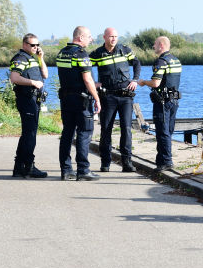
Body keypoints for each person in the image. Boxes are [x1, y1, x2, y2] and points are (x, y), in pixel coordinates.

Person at [90, 27, 140, 173]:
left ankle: (127, 162)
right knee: (106, 130)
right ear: (104, 37)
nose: (113, 39)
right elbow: (84, 68)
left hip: (125, 97)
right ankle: (105, 162)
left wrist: (135, 80)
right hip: (108, 97)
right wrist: (94, 83)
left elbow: (137, 63)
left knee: (126, 129)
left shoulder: (125, 50)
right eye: (111, 36)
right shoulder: (97, 54)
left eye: (116, 36)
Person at [56, 26, 101, 181]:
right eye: (89, 37)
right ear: (81, 37)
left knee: (67, 133)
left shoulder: (62, 53)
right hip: (81, 101)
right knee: (84, 132)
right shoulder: (81, 54)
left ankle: (66, 170)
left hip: (66, 99)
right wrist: (97, 98)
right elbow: (87, 79)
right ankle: (83, 170)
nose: (91, 40)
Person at [137, 36, 182, 172]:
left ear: (161, 45)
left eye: (155, 44)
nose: (153, 46)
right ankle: (161, 160)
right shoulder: (176, 60)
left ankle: (167, 161)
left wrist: (143, 82)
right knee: (168, 131)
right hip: (174, 100)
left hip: (162, 102)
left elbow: (155, 83)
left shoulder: (161, 62)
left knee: (162, 132)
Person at [8, 33, 49, 178]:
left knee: (28, 134)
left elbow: (45, 75)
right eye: (33, 45)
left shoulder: (33, 58)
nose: (35, 47)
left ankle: (19, 168)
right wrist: (33, 82)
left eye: (37, 45)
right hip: (26, 99)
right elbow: (14, 78)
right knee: (30, 134)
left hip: (34, 100)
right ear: (25, 44)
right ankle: (29, 167)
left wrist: (40, 58)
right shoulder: (20, 59)